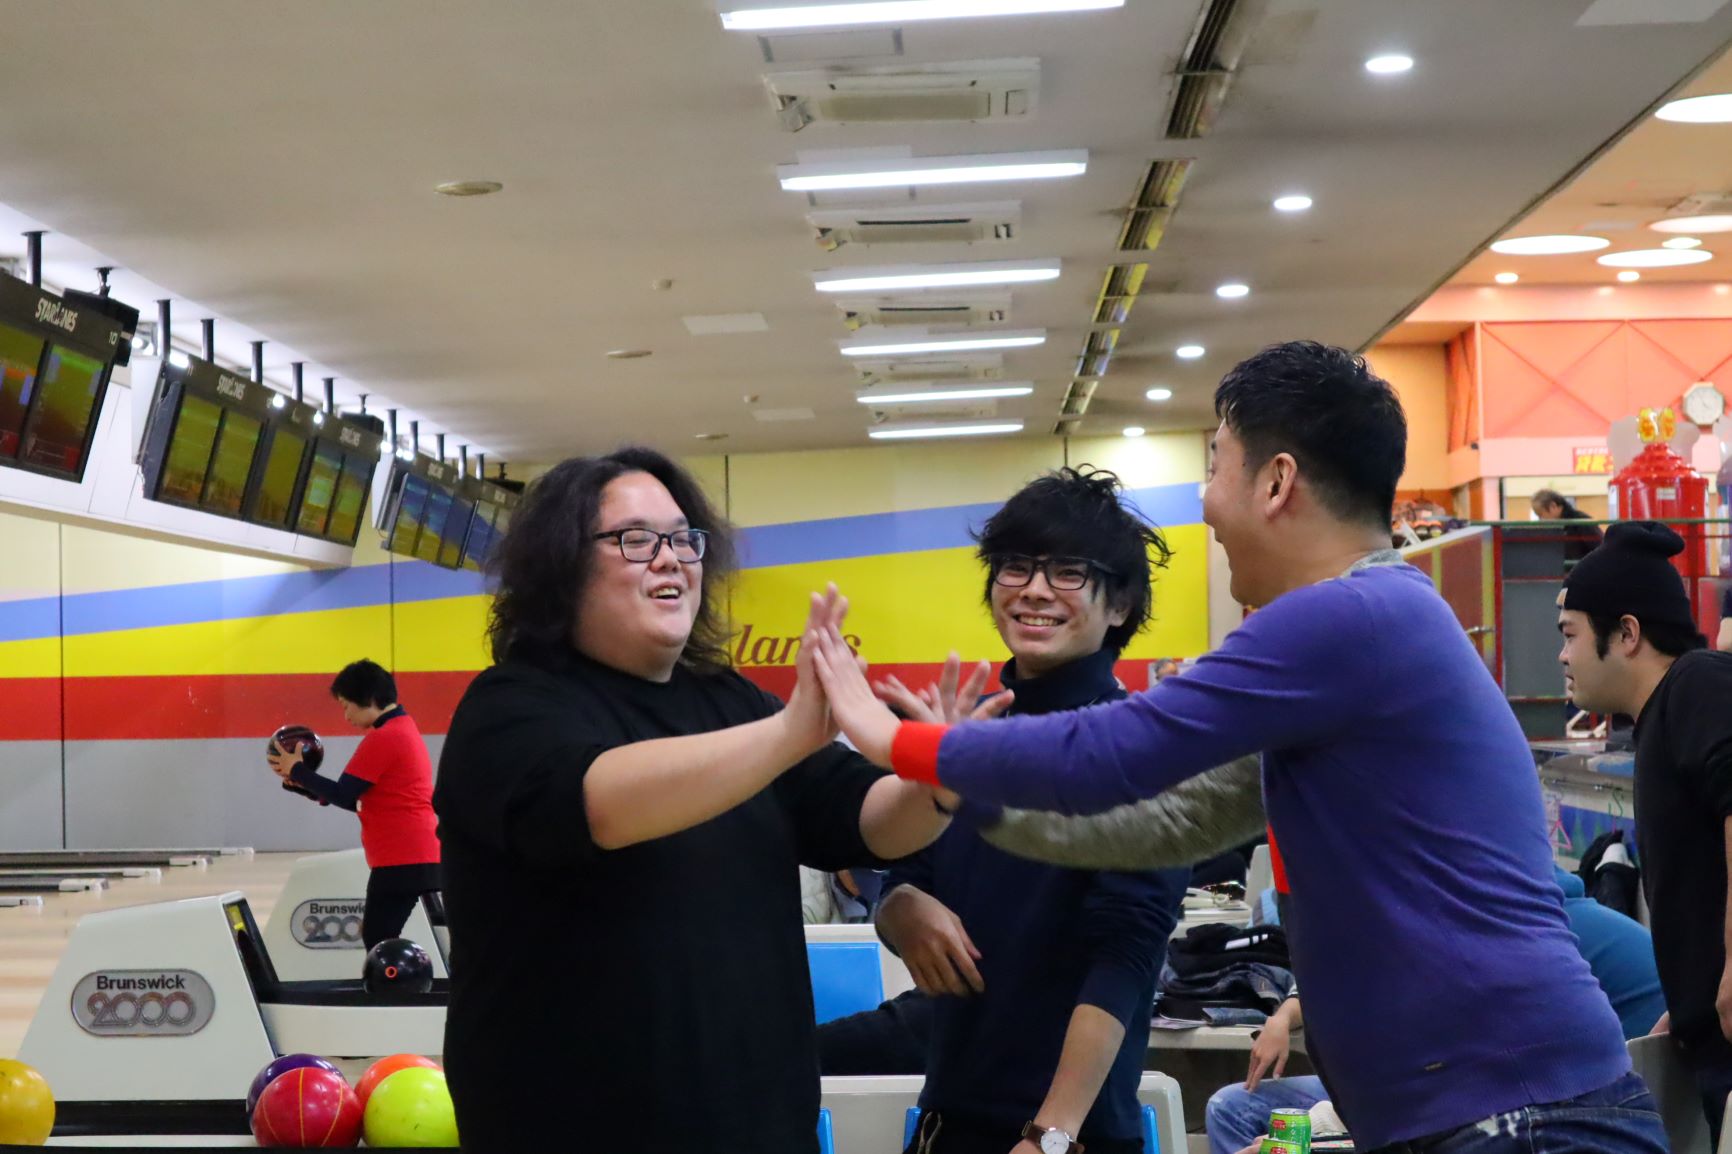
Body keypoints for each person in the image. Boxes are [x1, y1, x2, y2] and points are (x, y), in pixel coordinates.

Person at [809, 342, 1666, 1154]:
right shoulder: (1368, 628)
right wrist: (954, 789)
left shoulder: (1349, 615)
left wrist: (898, 740)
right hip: (1485, 1110)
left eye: (1215, 464)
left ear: (1277, 481)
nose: (1206, 500)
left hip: (1518, 1116)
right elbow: (1161, 821)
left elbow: (1121, 750)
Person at [432, 447, 951, 1152]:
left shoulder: (732, 703)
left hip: (760, 1129)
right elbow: (600, 803)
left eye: (684, 540)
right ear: (563, 565)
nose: (670, 560)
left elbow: (871, 821)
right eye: (635, 540)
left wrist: (936, 779)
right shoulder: (507, 709)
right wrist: (787, 733)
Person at [872, 468, 1189, 1154]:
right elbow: (901, 877)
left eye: (1069, 572)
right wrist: (900, 908)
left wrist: (1052, 1131)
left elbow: (1126, 951)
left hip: (1067, 1134)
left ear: (1120, 606)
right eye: (1016, 566)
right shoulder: (969, 741)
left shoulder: (1142, 753)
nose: (1035, 590)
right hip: (949, 1118)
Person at [1204, 863, 1667, 1153]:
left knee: (1236, 1111)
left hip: (1528, 1105)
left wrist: (1316, 1132)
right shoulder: (1550, 922)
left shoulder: (1508, 935)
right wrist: (1288, 1011)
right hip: (1633, 1107)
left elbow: (1428, 1077)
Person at [1556, 520, 1732, 1141]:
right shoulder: (1661, 718)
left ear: (1627, 634)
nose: (1562, 656)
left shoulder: (1697, 683)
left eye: (1570, 635)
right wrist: (1688, 1004)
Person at [268, 658, 440, 949]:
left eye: (346, 706)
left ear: (369, 699)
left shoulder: (385, 737)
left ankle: (397, 981)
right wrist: (305, 787)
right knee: (387, 937)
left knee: (378, 940)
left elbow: (345, 794)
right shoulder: (402, 728)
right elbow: (358, 800)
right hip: (418, 852)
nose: (345, 715)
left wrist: (298, 770)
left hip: (402, 856)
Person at [1531, 488, 1602, 562]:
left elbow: (1600, 549)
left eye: (1541, 515)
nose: (1541, 520)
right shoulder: (1555, 527)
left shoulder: (1582, 522)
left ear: (1553, 506)